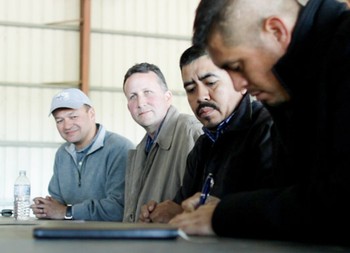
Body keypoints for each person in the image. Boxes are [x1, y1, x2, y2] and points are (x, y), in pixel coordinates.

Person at [173, 0, 350, 244]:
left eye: (237, 66)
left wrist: (228, 214)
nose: (237, 85)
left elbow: (339, 203)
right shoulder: (288, 90)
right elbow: (293, 194)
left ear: (276, 32)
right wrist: (224, 207)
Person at [139, 45, 275, 224]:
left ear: (241, 83)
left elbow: (278, 208)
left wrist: (219, 213)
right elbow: (182, 205)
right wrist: (159, 213)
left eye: (211, 83)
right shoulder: (202, 146)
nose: (201, 96)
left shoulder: (269, 129)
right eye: (190, 88)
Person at [30, 88, 134, 221]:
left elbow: (119, 208)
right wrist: (45, 209)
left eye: (73, 117)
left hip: (111, 238)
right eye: (59, 120)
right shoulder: (63, 153)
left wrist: (67, 212)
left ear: (91, 114)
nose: (66, 126)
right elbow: (57, 203)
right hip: (72, 235)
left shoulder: (120, 149)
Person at [122, 62, 203, 222]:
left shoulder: (191, 132)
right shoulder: (138, 151)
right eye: (133, 96)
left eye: (147, 92)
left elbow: (208, 202)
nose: (140, 103)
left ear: (168, 98)